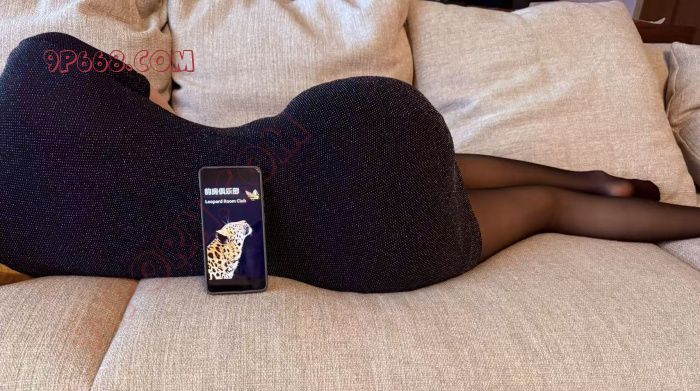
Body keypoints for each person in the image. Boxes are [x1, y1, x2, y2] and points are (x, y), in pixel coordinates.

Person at [1, 32, 699, 293]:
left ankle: (583, 196)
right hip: (352, 121)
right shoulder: (37, 62)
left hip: (360, 251)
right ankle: (591, 178)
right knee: (419, 158)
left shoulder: (12, 248)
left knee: (544, 213)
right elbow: (136, 88)